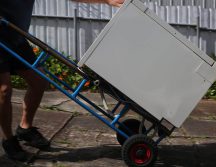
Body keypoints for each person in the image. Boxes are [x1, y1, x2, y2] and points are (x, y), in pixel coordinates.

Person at [0, 0, 124, 162]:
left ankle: (25, 128)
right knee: (4, 89)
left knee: (39, 81)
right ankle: (9, 141)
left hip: (16, 37)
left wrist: (106, 1)